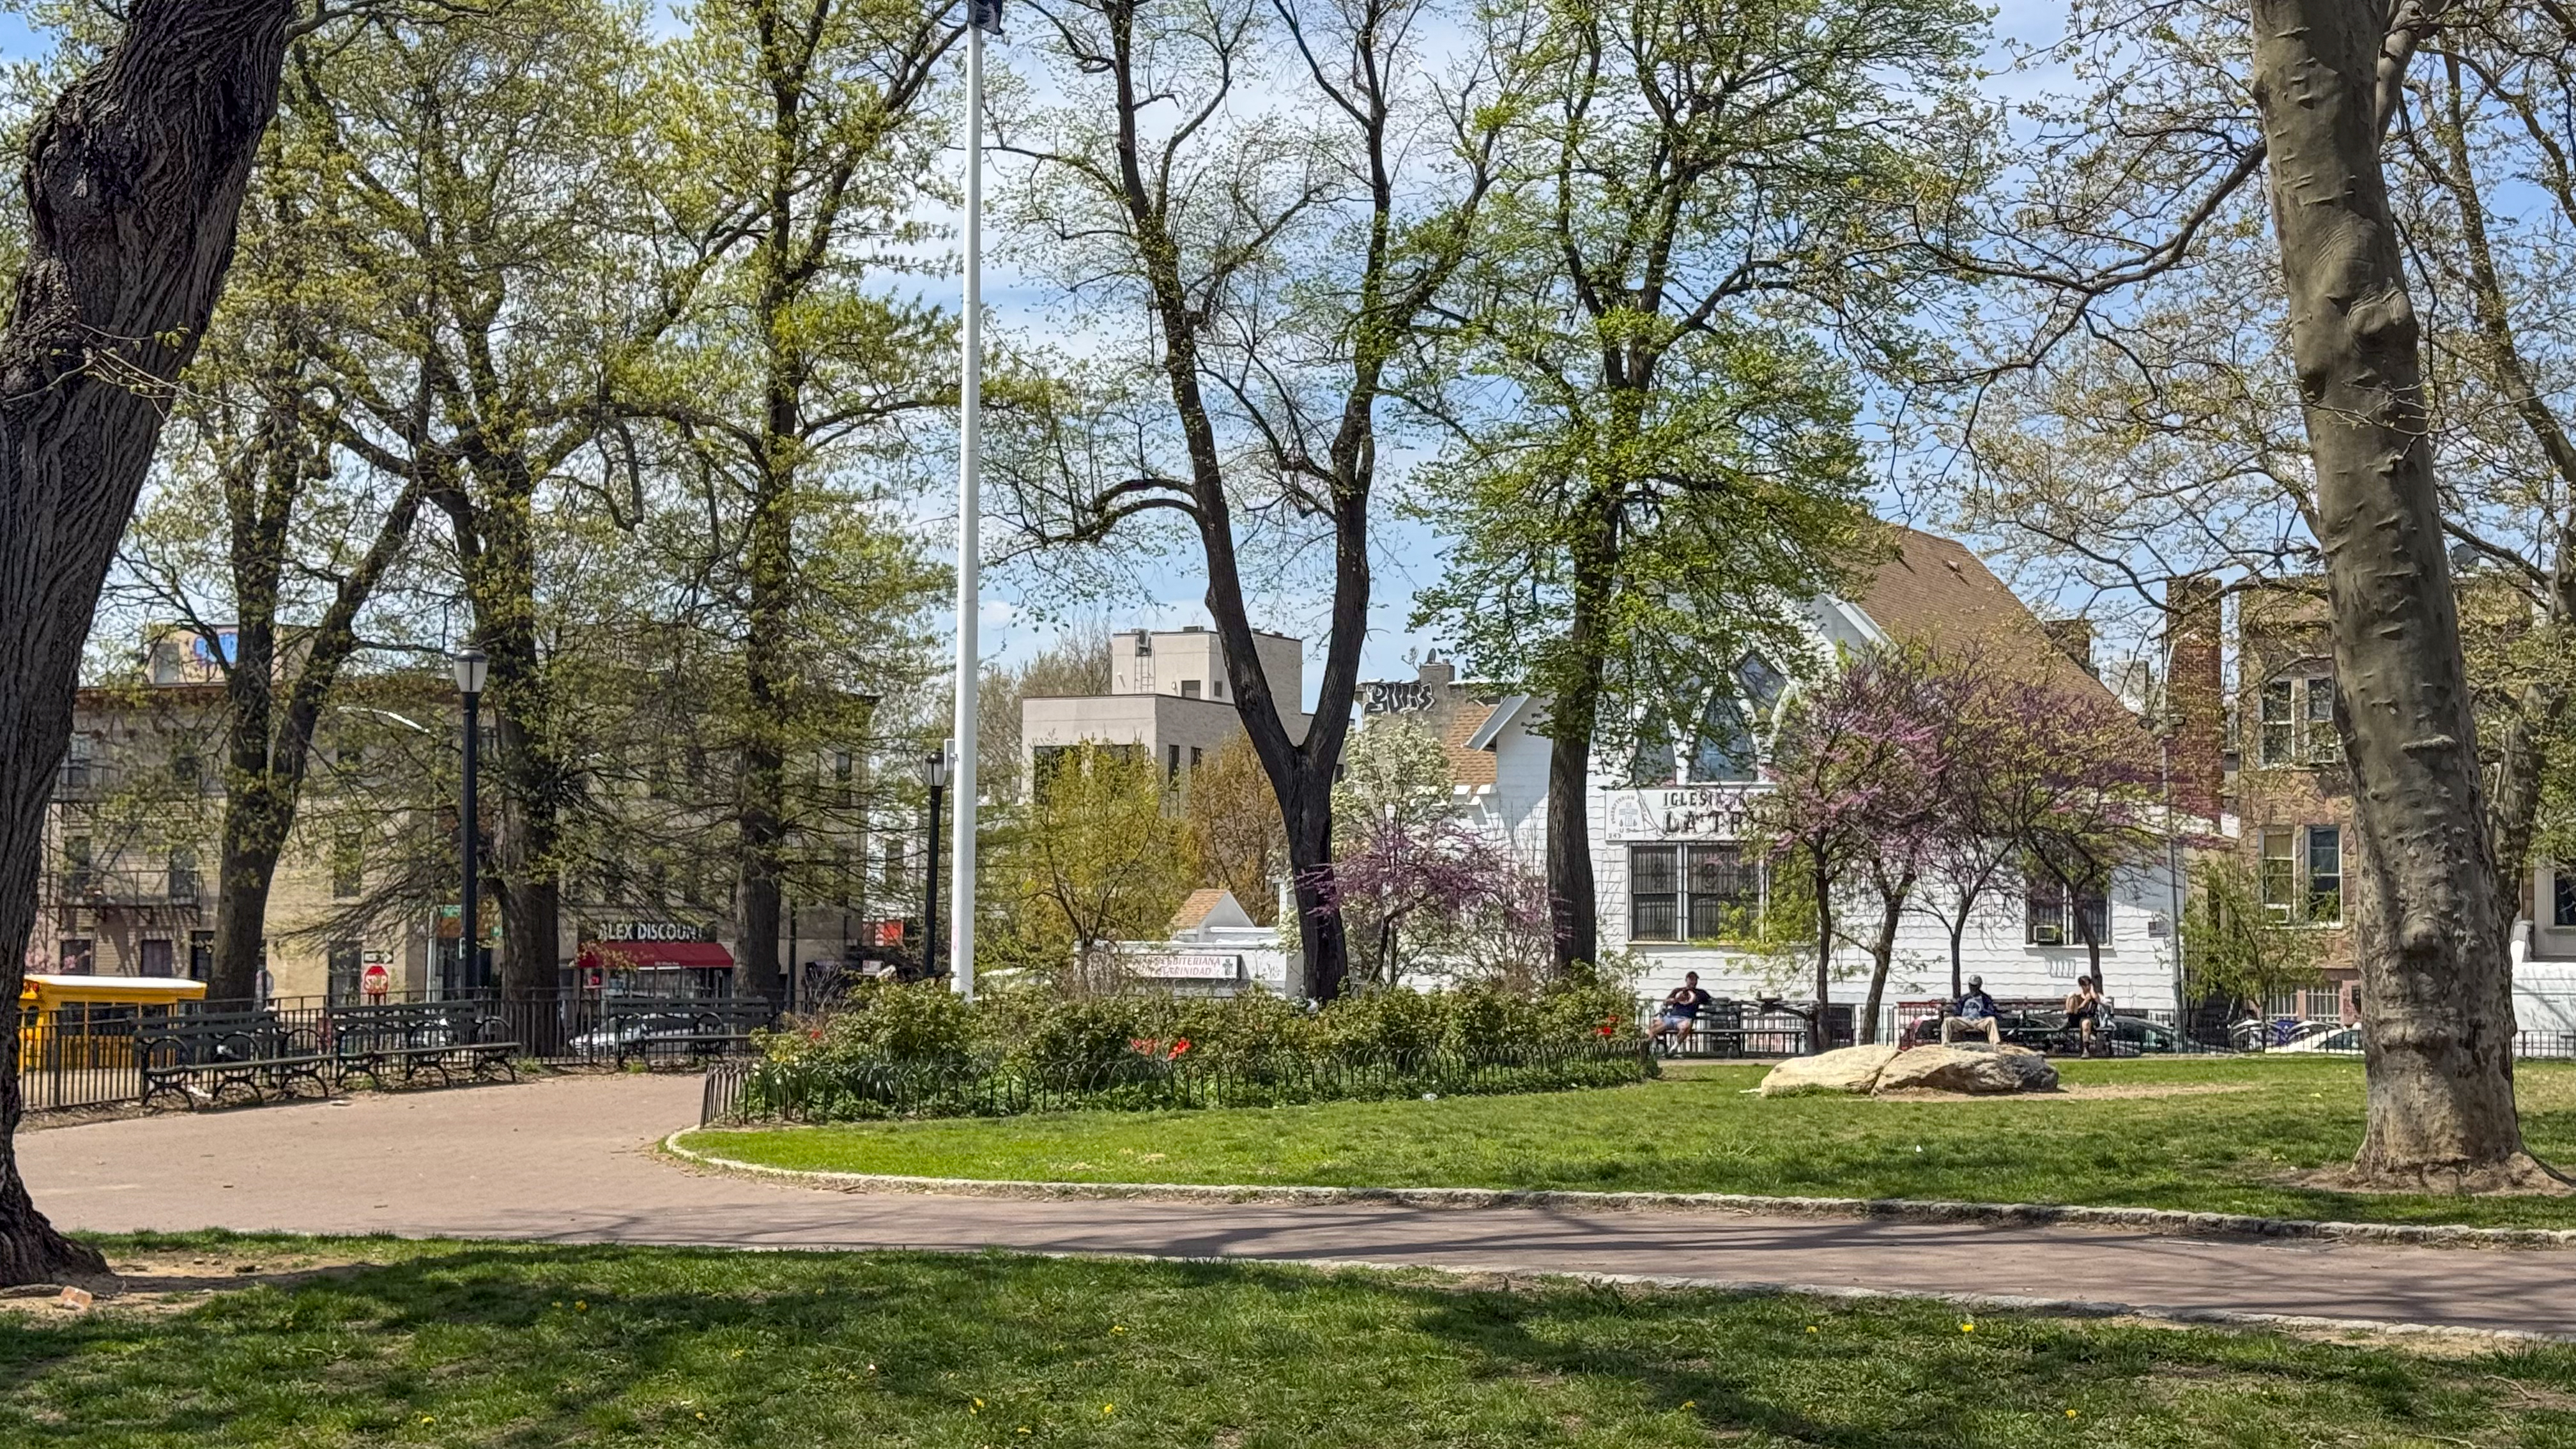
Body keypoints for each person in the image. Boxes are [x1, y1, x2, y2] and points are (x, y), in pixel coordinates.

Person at [1652, 972, 1712, 1050]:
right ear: (1686, 980)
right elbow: (1666, 1002)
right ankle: (1652, 1047)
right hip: (1671, 1017)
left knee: (1686, 1027)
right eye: (1691, 979)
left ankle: (1673, 1049)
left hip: (1685, 1019)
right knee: (1654, 1026)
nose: (1693, 982)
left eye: (1695, 979)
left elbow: (1712, 1001)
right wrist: (1674, 1000)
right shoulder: (1678, 991)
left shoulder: (1701, 993)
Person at [1940, 976, 2002, 1045]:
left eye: (1975, 986)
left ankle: (1995, 1044)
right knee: (1948, 1021)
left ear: (1979, 986)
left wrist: (1982, 1010)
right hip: (1965, 1021)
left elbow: (1992, 1012)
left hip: (1979, 1021)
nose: (1973, 988)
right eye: (1971, 985)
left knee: (1992, 1020)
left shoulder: (1985, 998)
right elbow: (1957, 1011)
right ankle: (1945, 1044)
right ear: (1969, 985)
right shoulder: (1964, 998)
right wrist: (1951, 1014)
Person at [2064, 974, 2104, 1056]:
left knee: (2086, 1023)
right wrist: (2085, 1001)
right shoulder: (2078, 998)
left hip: (2090, 1019)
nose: (2088, 987)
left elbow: (2098, 1000)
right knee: (2071, 994)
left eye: (2089, 984)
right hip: (2077, 1018)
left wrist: (2092, 991)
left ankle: (2086, 1049)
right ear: (2081, 986)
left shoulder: (2093, 997)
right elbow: (2077, 1010)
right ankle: (2084, 1049)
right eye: (2085, 985)